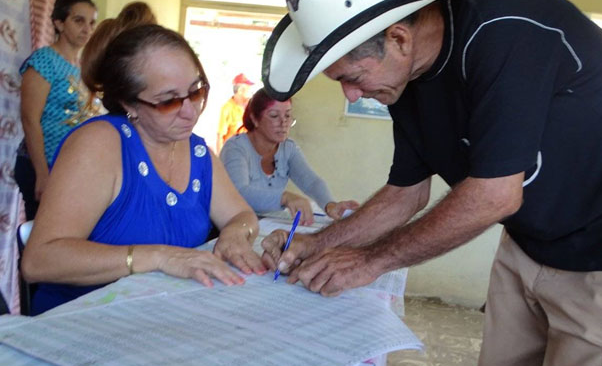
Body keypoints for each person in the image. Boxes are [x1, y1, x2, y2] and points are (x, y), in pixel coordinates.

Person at [259, 0, 602, 366]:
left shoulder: (507, 29)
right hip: (527, 250)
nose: (354, 95)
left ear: (398, 37)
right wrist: (319, 243)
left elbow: (495, 195)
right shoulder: (405, 78)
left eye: (351, 78)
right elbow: (406, 192)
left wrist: (370, 261)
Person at [21, 23, 266, 315]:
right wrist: (158, 257)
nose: (190, 111)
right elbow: (38, 261)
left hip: (159, 317)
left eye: (196, 90)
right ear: (129, 104)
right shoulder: (100, 145)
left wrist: (235, 235)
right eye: (168, 101)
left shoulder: (197, 151)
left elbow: (241, 215)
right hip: (82, 322)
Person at [221, 88, 359, 226]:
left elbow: (311, 181)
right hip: (234, 226)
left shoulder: (288, 148)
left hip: (266, 225)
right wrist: (284, 197)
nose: (283, 123)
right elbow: (239, 193)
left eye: (287, 116)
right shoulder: (235, 148)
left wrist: (330, 205)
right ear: (255, 119)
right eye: (274, 116)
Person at [15, 0, 97, 220]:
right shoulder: (44, 60)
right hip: (41, 165)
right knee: (37, 241)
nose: (87, 29)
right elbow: (30, 119)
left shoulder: (82, 67)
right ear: (59, 23)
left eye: (91, 22)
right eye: (78, 20)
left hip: (68, 168)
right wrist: (42, 173)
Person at [216, 72, 254, 152]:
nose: (251, 92)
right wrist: (220, 161)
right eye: (248, 89)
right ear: (240, 90)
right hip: (232, 152)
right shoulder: (227, 108)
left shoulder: (251, 107)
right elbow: (220, 136)